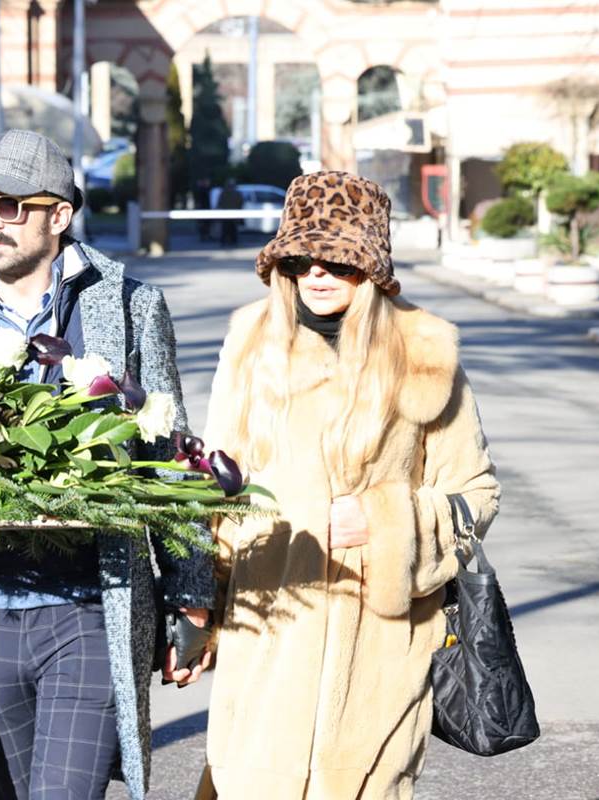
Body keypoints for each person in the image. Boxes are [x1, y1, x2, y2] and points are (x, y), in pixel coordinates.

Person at [0, 129, 215, 800]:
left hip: (87, 608)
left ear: (59, 215)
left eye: (11, 207)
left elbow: (169, 456)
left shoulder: (127, 307)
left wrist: (193, 600)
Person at [194, 172, 501, 799]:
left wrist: (390, 523)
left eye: (338, 259)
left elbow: (477, 492)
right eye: (301, 257)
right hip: (268, 637)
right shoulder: (251, 345)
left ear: (373, 270)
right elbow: (213, 490)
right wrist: (198, 608)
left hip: (379, 654)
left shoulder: (424, 351)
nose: (317, 272)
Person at [215, 179, 243, 247]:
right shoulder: (237, 193)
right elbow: (240, 202)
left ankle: (223, 242)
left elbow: (220, 203)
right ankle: (233, 242)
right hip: (234, 213)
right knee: (233, 228)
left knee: (225, 228)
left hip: (225, 213)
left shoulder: (223, 192)